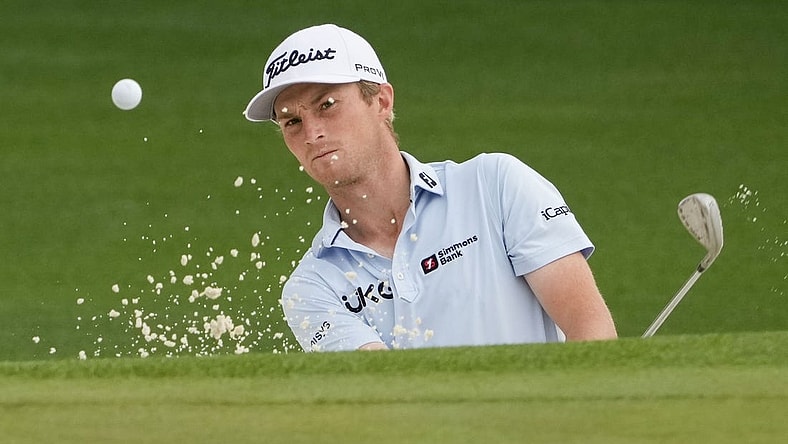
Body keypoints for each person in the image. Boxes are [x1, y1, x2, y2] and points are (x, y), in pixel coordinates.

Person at [244, 24, 617, 351]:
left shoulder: (496, 186)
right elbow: (386, 392)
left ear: (381, 102)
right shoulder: (311, 287)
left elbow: (590, 329)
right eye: (292, 122)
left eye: (327, 105)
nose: (313, 134)